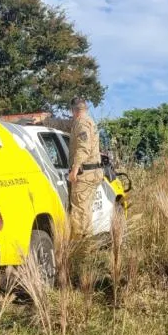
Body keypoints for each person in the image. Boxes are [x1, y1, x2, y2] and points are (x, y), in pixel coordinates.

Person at [67, 96, 103, 238]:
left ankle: (81, 250)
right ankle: (86, 246)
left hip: (85, 173)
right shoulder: (84, 122)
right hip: (92, 172)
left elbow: (83, 148)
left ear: (73, 111)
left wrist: (74, 169)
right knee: (85, 211)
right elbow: (66, 124)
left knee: (80, 213)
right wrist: (45, 120)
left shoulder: (81, 124)